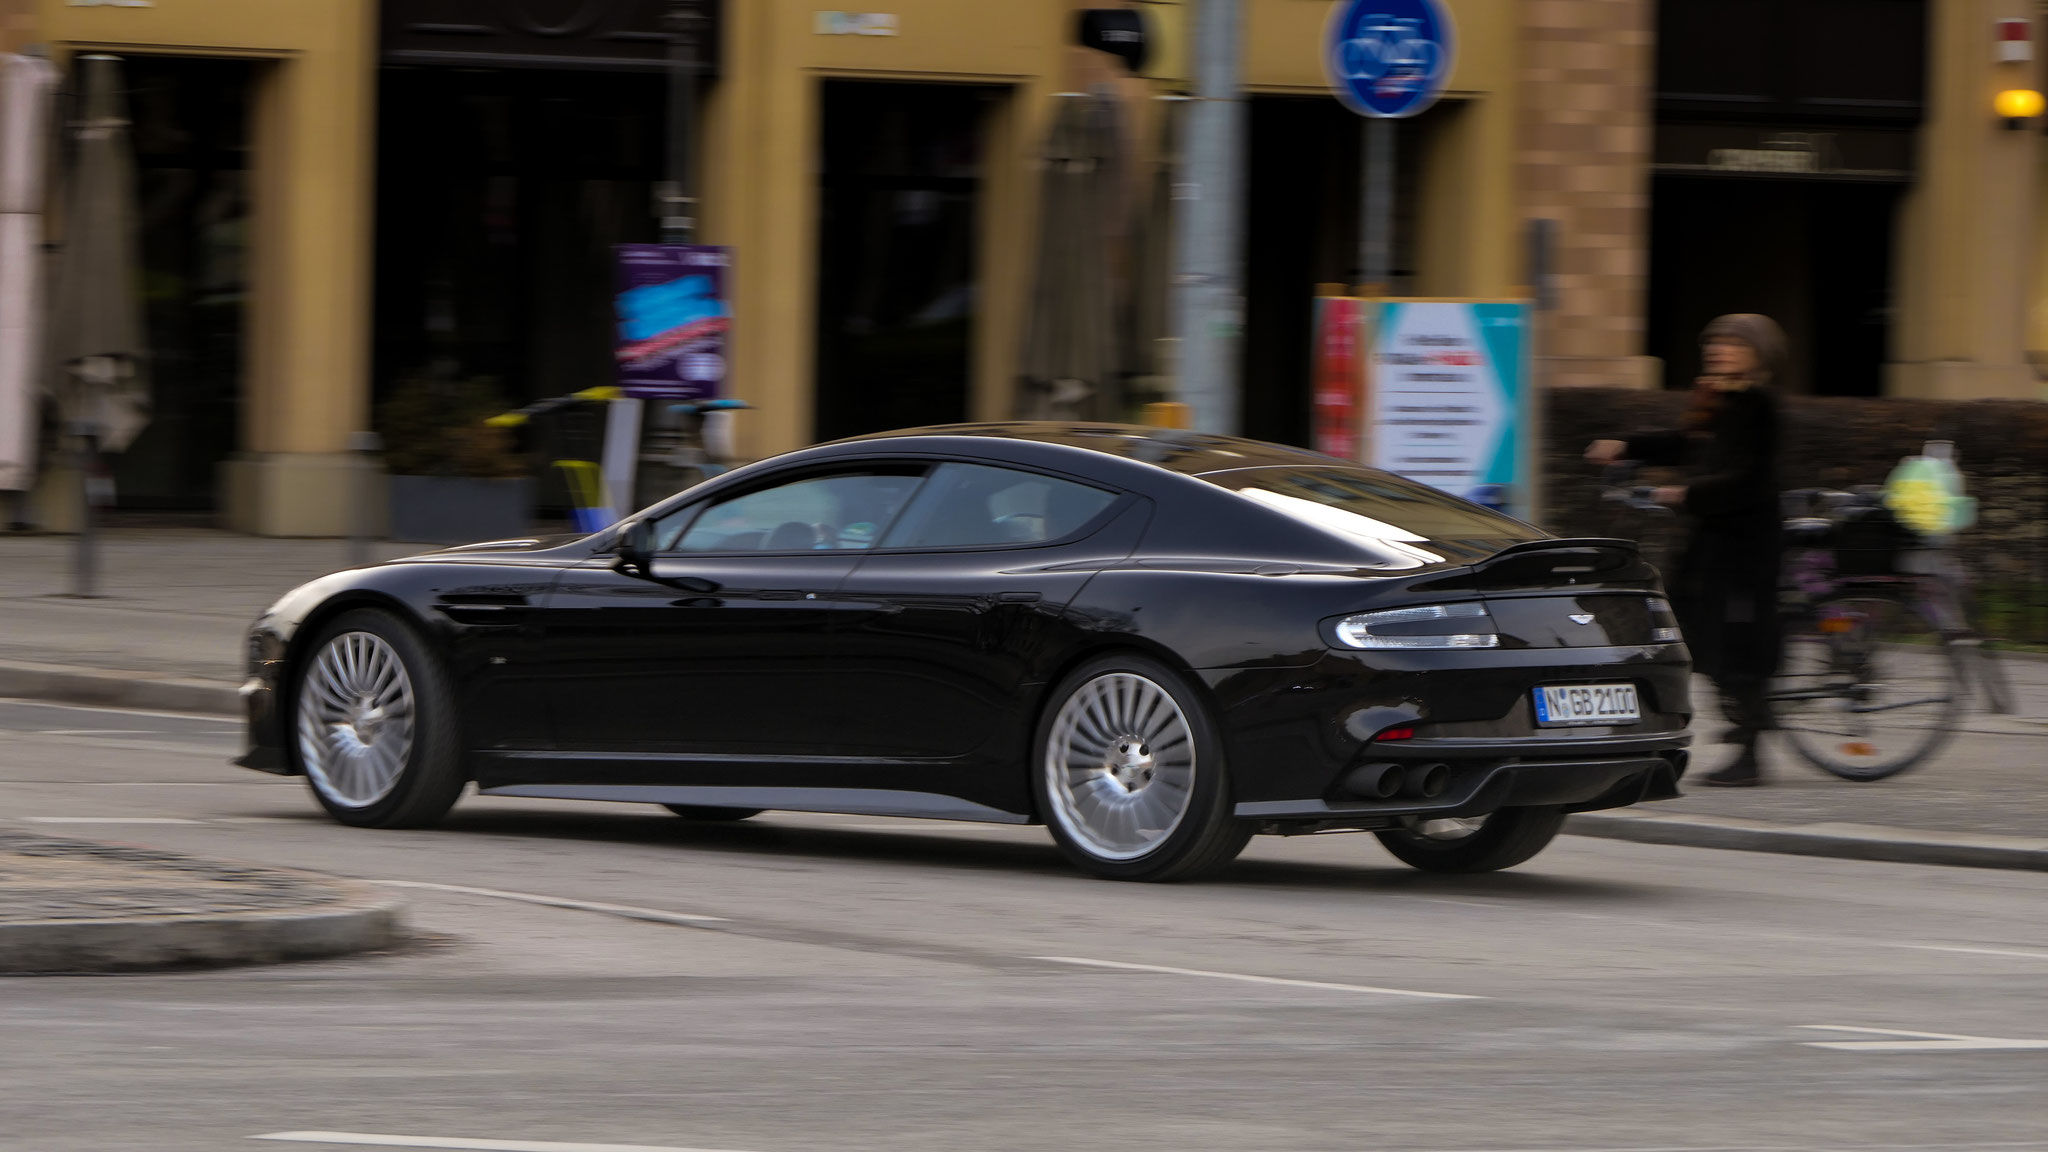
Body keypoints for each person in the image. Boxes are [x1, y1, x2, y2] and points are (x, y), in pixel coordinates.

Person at [1586, 314, 1785, 786]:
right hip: (1713, 539)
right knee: (1687, 627)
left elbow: (1752, 480)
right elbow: (1685, 445)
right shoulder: (1718, 399)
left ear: (1758, 354)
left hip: (1747, 544)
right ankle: (1707, 724)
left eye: (1733, 343)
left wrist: (1686, 495)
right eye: (1714, 341)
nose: (1718, 349)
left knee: (1736, 642)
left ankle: (1750, 749)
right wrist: (1626, 446)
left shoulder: (1760, 406)